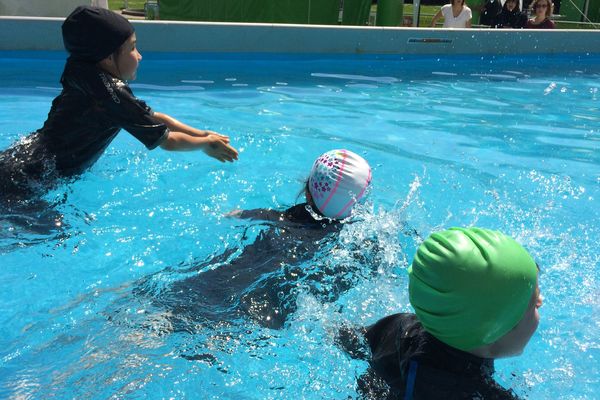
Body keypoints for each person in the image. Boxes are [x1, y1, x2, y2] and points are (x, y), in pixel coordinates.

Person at [0, 6, 238, 206]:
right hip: (31, 179)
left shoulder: (83, 69)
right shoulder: (112, 95)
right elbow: (167, 141)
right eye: (132, 48)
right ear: (107, 57)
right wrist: (204, 145)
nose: (140, 55)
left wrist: (202, 133)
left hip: (22, 156)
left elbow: (153, 117)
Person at [133, 149, 372, 330]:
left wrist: (230, 213)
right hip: (244, 312)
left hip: (200, 282)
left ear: (308, 190)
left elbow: (234, 216)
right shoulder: (349, 245)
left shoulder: (274, 217)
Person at [339, 227, 542, 399]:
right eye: (533, 303)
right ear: (493, 332)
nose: (541, 302)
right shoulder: (477, 393)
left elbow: (350, 339)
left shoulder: (400, 326)